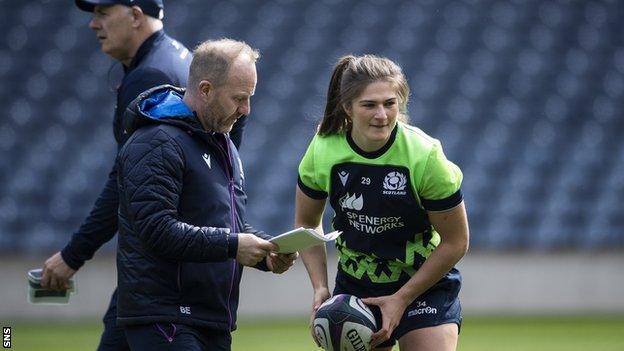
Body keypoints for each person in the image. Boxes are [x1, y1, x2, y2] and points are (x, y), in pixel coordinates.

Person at [39, 1, 247, 350]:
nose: (93, 24)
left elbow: (126, 185)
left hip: (169, 275)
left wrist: (75, 254)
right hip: (177, 269)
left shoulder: (152, 76)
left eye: (102, 13)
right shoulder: (181, 61)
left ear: (135, 16)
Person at [115, 38, 297, 350]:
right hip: (167, 317)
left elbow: (221, 223)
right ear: (205, 90)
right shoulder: (156, 143)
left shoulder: (222, 143)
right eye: (239, 98)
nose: (246, 110)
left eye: (250, 98)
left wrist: (266, 255)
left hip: (210, 318)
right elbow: (157, 230)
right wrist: (233, 245)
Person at [296, 55, 470, 351]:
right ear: (347, 107)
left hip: (422, 285)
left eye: (390, 103)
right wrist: (320, 287)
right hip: (357, 288)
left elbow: (456, 241)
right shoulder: (323, 148)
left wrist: (401, 298)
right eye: (369, 105)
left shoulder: (425, 156)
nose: (382, 115)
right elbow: (306, 223)